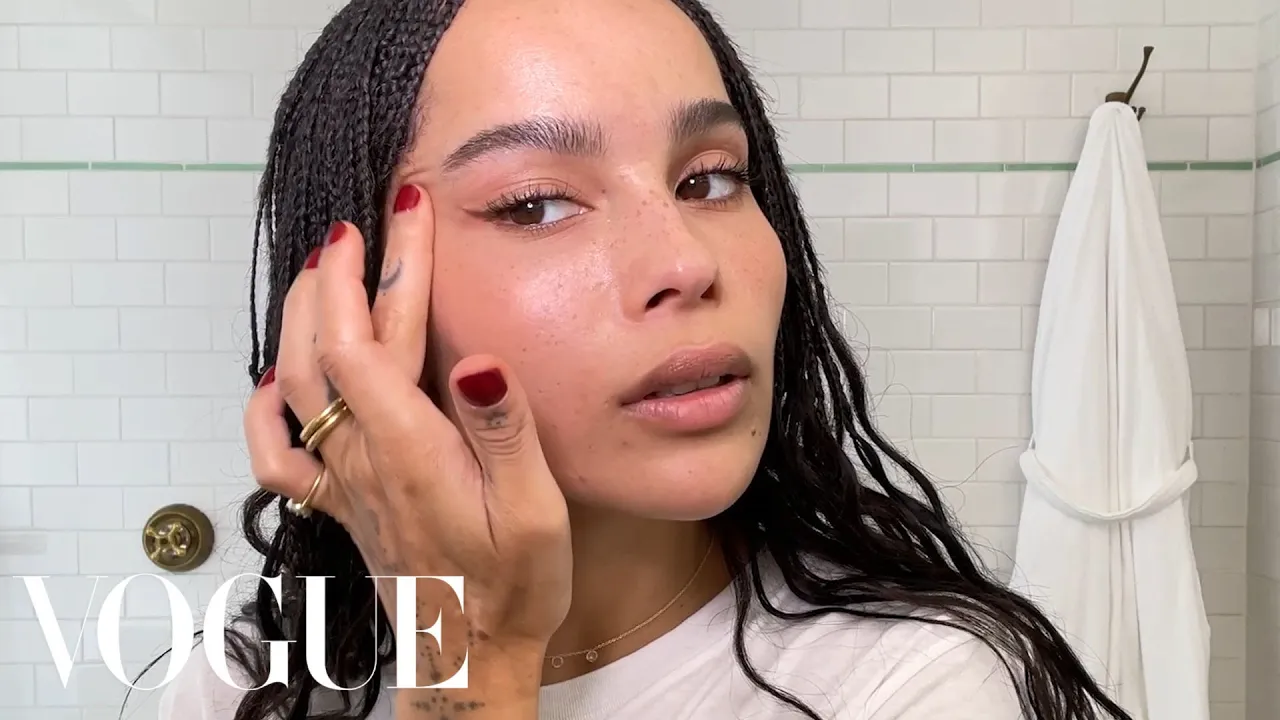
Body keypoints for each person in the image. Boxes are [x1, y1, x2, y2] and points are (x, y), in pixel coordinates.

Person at [154, 0, 1135, 718]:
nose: (686, 262)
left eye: (709, 180)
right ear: (355, 291)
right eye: (536, 203)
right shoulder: (250, 684)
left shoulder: (910, 686)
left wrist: (474, 666)